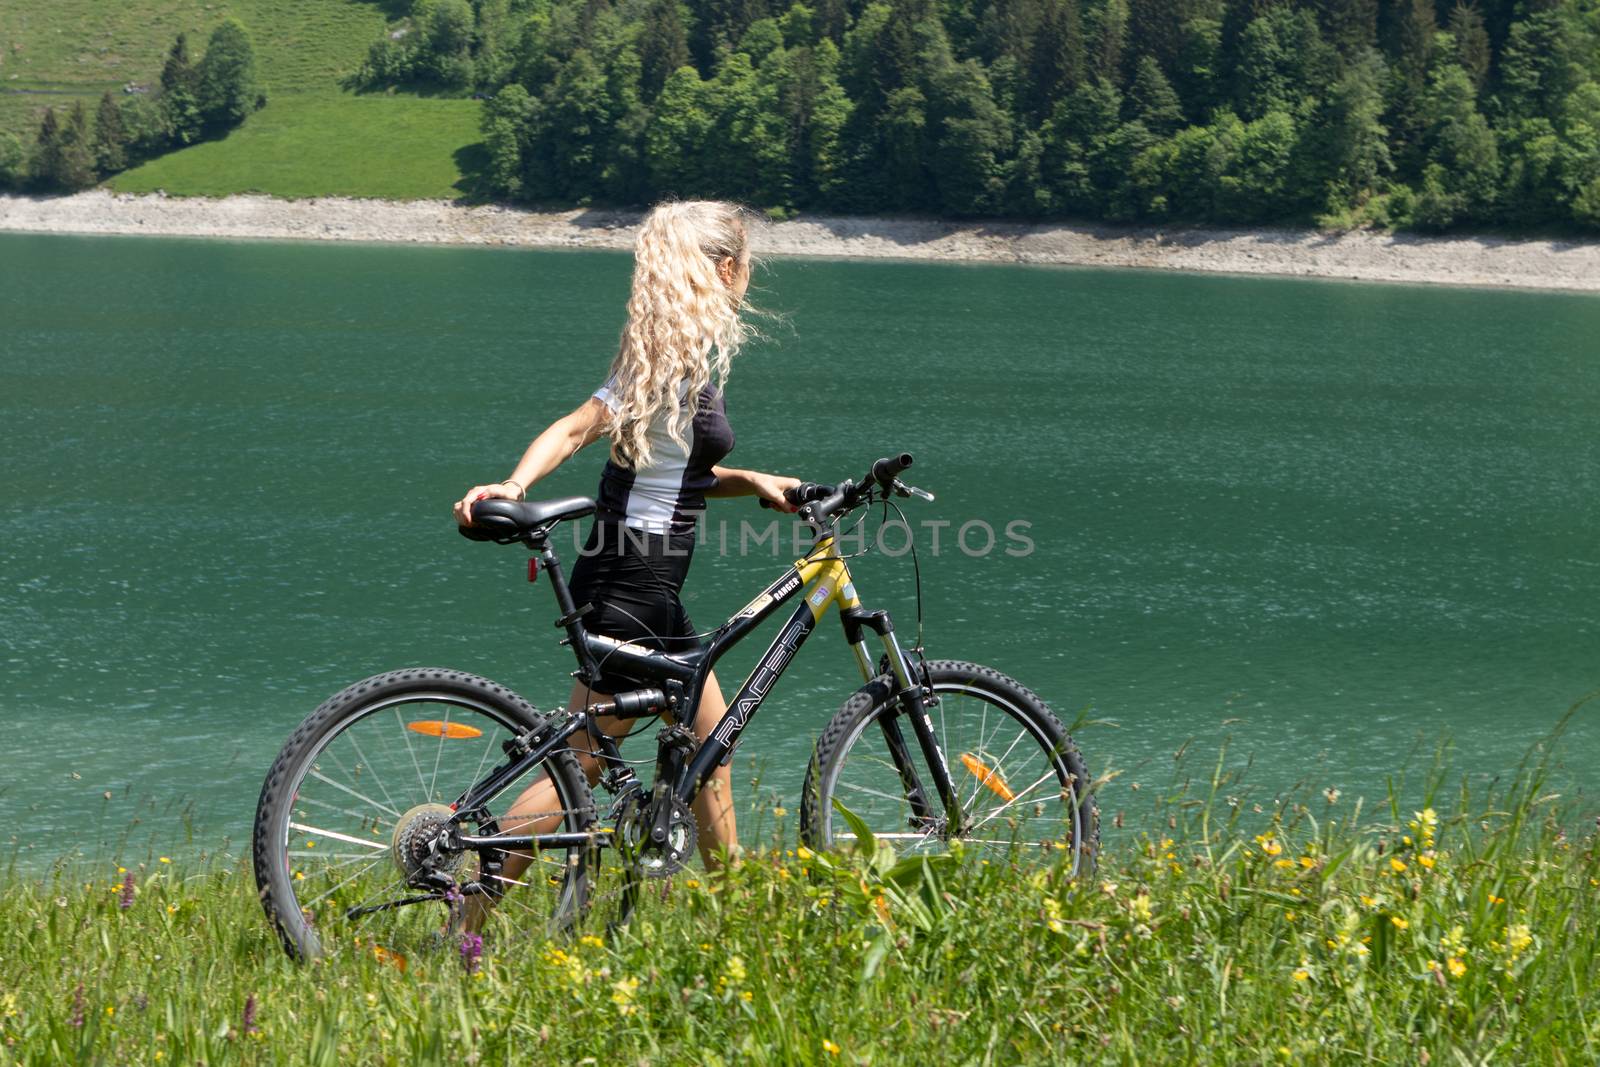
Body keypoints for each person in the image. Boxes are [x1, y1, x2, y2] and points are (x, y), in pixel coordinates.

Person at [452, 200, 800, 915]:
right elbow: (581, 426)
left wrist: (757, 480)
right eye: (746, 266)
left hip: (648, 586)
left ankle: (744, 923)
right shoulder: (666, 354)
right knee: (576, 766)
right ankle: (469, 911)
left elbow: (673, 473)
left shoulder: (681, 349)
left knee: (713, 750)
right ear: (726, 270)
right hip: (630, 581)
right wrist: (514, 483)